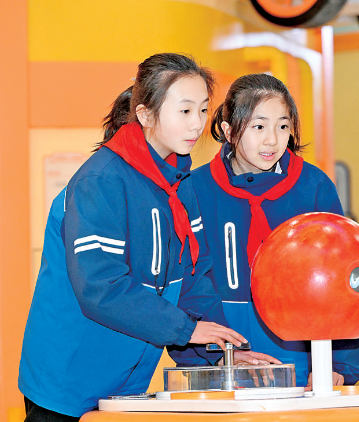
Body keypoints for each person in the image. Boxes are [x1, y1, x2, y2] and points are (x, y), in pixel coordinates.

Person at [19, 53, 254, 421]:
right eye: (185, 110)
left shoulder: (180, 184)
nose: (197, 124)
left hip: (126, 384)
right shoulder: (101, 181)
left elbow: (192, 279)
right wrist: (186, 329)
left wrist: (222, 352)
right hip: (67, 382)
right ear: (145, 115)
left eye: (203, 110)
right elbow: (101, 286)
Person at [169, 73, 359, 388]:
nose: (272, 140)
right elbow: (187, 281)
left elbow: (341, 280)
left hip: (303, 369)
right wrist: (218, 356)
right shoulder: (193, 190)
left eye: (282, 127)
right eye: (259, 127)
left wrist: (338, 365)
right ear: (229, 130)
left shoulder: (314, 187)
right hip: (220, 369)